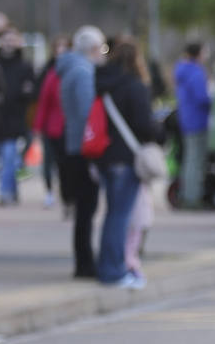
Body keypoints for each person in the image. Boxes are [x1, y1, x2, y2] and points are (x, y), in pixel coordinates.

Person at [94, 38, 157, 288]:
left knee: (112, 215)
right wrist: (159, 133)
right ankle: (114, 271)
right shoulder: (134, 86)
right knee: (120, 218)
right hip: (126, 158)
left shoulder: (103, 84)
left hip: (105, 156)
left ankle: (108, 266)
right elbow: (144, 125)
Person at [58, 25, 106, 279]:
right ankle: (85, 263)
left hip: (74, 144)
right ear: (93, 49)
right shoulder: (83, 71)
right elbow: (90, 113)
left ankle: (83, 260)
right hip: (84, 148)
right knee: (87, 207)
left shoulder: (70, 69)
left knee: (84, 208)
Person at [0, 26, 35, 207]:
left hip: (17, 118)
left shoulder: (25, 66)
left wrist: (24, 94)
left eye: (13, 39)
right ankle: (11, 190)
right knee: (8, 157)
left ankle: (5, 192)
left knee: (9, 154)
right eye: (6, 39)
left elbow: (31, 91)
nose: (9, 43)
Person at [33, 35, 71, 212]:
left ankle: (67, 197)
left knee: (66, 165)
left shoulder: (74, 73)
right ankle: (50, 191)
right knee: (48, 162)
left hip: (69, 128)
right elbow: (44, 103)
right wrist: (38, 127)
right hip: (52, 127)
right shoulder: (51, 75)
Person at [174, 43, 212, 209]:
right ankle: (192, 198)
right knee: (196, 160)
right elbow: (202, 97)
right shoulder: (196, 72)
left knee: (189, 159)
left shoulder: (182, 70)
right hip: (198, 120)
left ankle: (187, 194)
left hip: (187, 118)